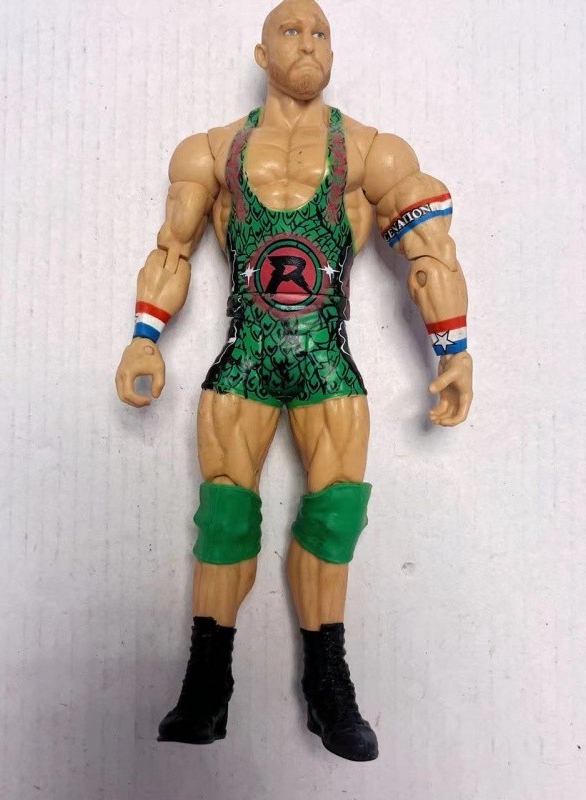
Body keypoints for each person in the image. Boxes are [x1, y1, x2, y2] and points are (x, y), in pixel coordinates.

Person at [115, 0, 473, 762]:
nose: (308, 43)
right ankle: (207, 686)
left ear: (333, 56)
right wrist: (145, 340)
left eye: (320, 34)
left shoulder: (371, 153)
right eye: (292, 31)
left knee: (335, 519)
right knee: (223, 519)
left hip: (325, 362)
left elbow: (432, 253)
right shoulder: (211, 151)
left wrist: (454, 351)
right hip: (244, 357)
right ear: (262, 53)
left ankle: (328, 686)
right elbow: (172, 250)